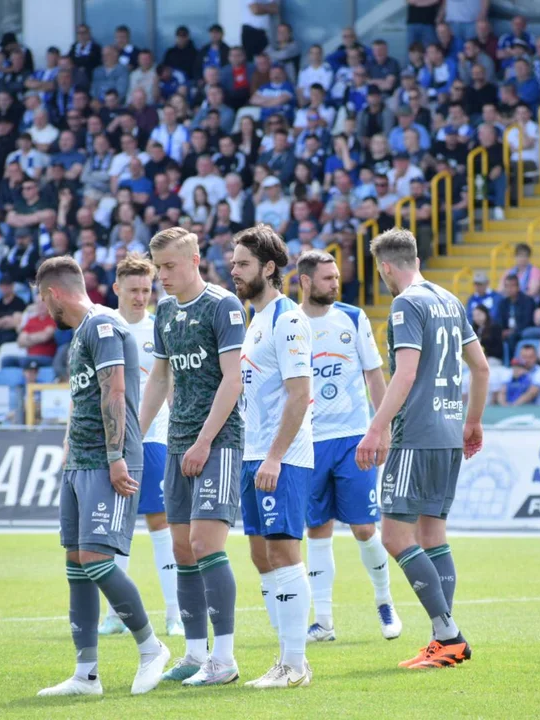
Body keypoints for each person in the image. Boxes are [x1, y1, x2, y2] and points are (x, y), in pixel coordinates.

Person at [34, 257, 170, 697]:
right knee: (77, 566)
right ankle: (86, 674)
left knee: (97, 560)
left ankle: (152, 649)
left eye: (41, 298)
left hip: (107, 460)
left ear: (54, 292)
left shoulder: (103, 325)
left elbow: (115, 389)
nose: (41, 309)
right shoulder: (79, 334)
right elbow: (87, 396)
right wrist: (69, 450)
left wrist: (115, 457)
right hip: (80, 461)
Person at [356, 228, 490, 669]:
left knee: (395, 535)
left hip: (417, 432)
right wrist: (472, 421)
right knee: (433, 534)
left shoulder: (406, 303)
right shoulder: (450, 300)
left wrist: (377, 428)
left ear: (387, 267)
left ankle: (449, 634)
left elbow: (406, 373)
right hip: (450, 431)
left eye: (382, 274)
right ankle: (441, 638)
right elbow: (482, 367)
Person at [139, 227, 245, 687]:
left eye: (168, 266)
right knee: (182, 551)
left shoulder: (223, 306)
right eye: (157, 266)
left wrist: (204, 441)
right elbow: (159, 380)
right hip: (177, 443)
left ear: (194, 259)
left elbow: (233, 379)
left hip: (218, 442)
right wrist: (133, 439)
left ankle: (225, 659)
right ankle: (195, 653)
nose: (161, 275)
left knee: (205, 545)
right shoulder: (163, 311)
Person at [296, 250, 401, 644]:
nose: (335, 283)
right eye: (326, 278)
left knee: (363, 527)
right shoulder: (289, 322)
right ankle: (323, 621)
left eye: (336, 277)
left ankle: (384, 602)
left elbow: (375, 376)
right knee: (317, 528)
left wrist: (382, 427)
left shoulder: (352, 317)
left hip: (353, 437)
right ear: (305, 281)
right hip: (308, 441)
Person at [229, 225, 315, 688]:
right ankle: (287, 658)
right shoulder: (254, 317)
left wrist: (275, 457)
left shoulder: (288, 319)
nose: (234, 270)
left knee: (283, 552)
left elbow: (299, 395)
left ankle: (295, 664)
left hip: (281, 457)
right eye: (233, 262)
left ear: (268, 268)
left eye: (242, 263)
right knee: (262, 556)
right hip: (254, 453)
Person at [98, 255, 184, 638]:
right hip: (114, 443)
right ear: (116, 289)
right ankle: (117, 613)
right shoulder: (102, 328)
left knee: (160, 522)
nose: (140, 297)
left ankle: (174, 612)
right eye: (133, 290)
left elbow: (170, 384)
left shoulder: (159, 329)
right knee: (118, 525)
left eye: (146, 290)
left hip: (154, 439)